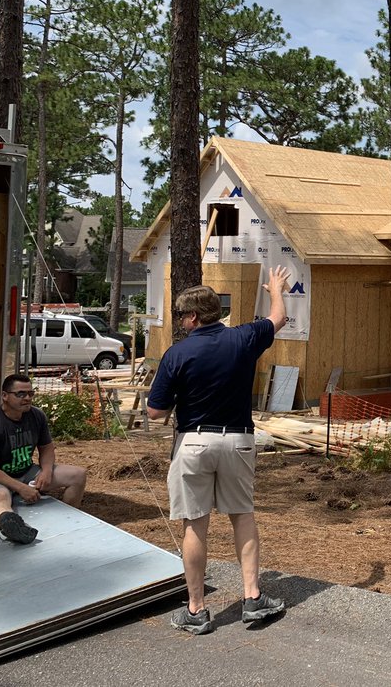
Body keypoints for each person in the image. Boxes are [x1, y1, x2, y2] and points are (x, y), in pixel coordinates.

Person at [148, 265, 291, 635]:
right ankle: (252, 598)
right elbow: (279, 317)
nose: (179, 322)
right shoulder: (244, 337)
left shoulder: (177, 354)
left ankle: (196, 610)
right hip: (239, 439)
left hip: (194, 441)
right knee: (242, 515)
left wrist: (179, 397)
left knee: (195, 524)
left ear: (194, 316)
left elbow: (155, 411)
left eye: (182, 315)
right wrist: (275, 287)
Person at [0, 373, 88, 545]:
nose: (27, 398)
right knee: (1, 497)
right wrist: (21, 488)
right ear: (5, 396)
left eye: (30, 394)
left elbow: (46, 447)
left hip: (26, 471)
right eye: (20, 394)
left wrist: (46, 471)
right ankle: (12, 527)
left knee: (78, 474)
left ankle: (69, 519)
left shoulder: (36, 416)